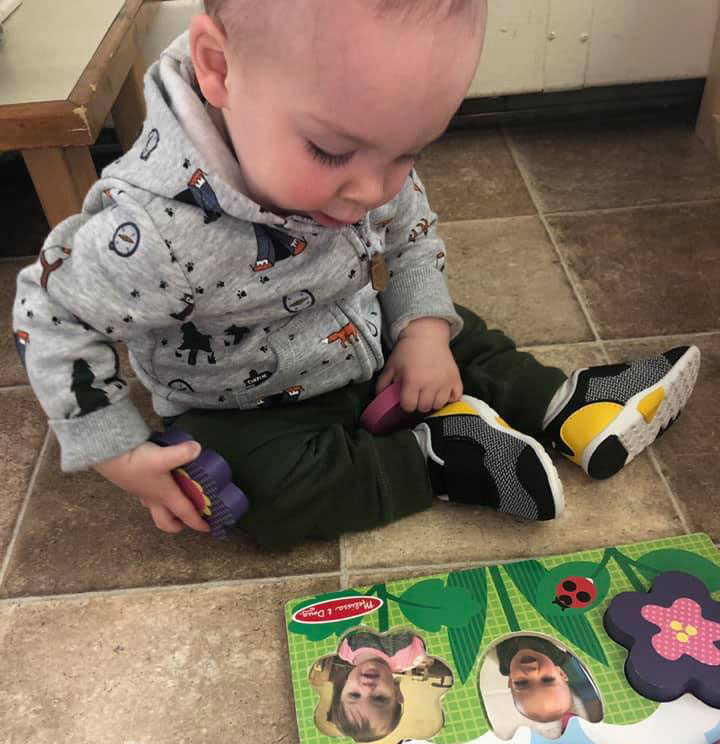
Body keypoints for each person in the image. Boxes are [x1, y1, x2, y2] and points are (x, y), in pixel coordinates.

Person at [12, 0, 700, 547]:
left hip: (363, 340)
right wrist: (115, 451)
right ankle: (437, 458)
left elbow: (410, 237)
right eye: (332, 150)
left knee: (463, 333)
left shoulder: (367, 149)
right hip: (246, 407)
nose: (374, 188)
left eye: (409, 152)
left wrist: (425, 331)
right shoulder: (153, 232)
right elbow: (49, 312)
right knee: (270, 499)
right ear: (219, 69)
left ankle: (570, 407)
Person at [325, 630, 433, 742]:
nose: (367, 688)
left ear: (344, 685)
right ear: (396, 693)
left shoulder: (344, 649)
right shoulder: (411, 656)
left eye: (355, 695)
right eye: (379, 698)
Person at [494, 635, 600, 728]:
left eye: (522, 683)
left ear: (510, 680)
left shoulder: (504, 665)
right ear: (561, 673)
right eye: (547, 679)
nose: (532, 672)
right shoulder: (560, 650)